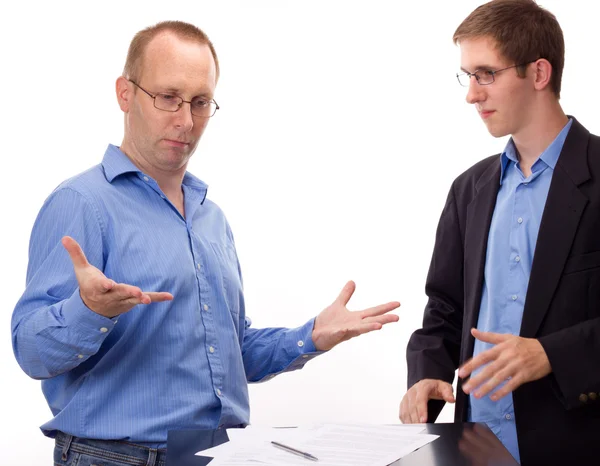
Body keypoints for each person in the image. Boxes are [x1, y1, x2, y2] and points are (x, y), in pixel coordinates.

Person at [11, 21, 400, 466]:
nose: (186, 121)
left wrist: (309, 336)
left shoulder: (210, 218)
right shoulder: (81, 204)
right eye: (168, 98)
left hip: (218, 456)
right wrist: (90, 310)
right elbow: (31, 352)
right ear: (125, 93)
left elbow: (230, 354)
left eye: (200, 102)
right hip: (116, 458)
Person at [400, 1, 600, 464]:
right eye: (467, 76)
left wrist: (551, 354)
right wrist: (426, 375)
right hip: (475, 446)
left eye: (485, 74)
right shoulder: (469, 189)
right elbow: (444, 309)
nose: (471, 94)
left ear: (539, 73)